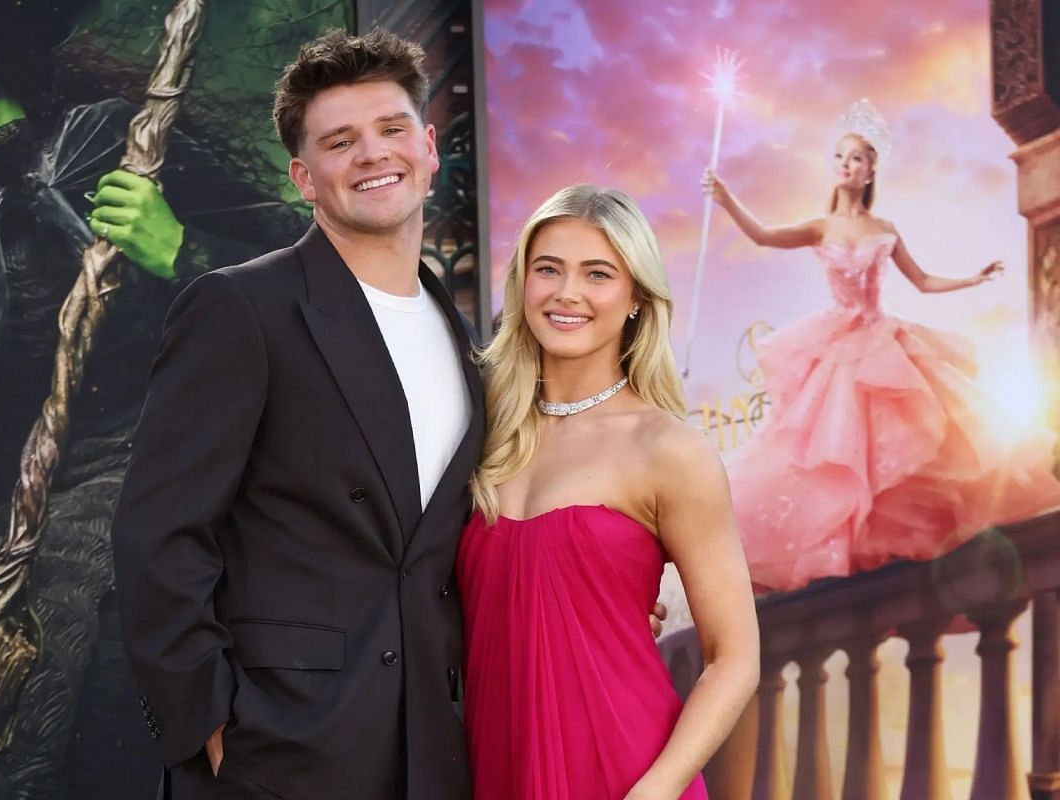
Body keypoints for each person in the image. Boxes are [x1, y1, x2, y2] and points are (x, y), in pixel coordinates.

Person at [0, 1, 300, 795]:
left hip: (179, 492)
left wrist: (182, 250)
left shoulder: (123, 141)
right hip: (11, 505)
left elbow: (310, 284)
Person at [111, 28, 487, 799]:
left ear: (427, 146)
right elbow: (157, 534)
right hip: (280, 751)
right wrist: (209, 729)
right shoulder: (240, 308)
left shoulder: (458, 327)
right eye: (340, 142)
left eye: (389, 131)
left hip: (433, 746)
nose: (373, 155)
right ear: (303, 178)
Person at [459, 183, 760, 800]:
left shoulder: (667, 450)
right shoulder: (477, 433)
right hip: (490, 766)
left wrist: (653, 793)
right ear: (523, 286)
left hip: (624, 769)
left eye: (598, 274)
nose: (567, 293)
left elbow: (735, 657)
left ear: (635, 301)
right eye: (548, 269)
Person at [702, 99, 1060, 593]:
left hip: (879, 340)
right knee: (830, 447)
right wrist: (726, 199)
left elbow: (924, 281)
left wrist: (971, 279)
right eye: (840, 157)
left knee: (902, 443)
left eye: (856, 158)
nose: (846, 165)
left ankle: (887, 560)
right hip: (835, 345)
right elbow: (764, 237)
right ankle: (838, 559)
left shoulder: (886, 230)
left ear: (871, 170)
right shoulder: (819, 226)